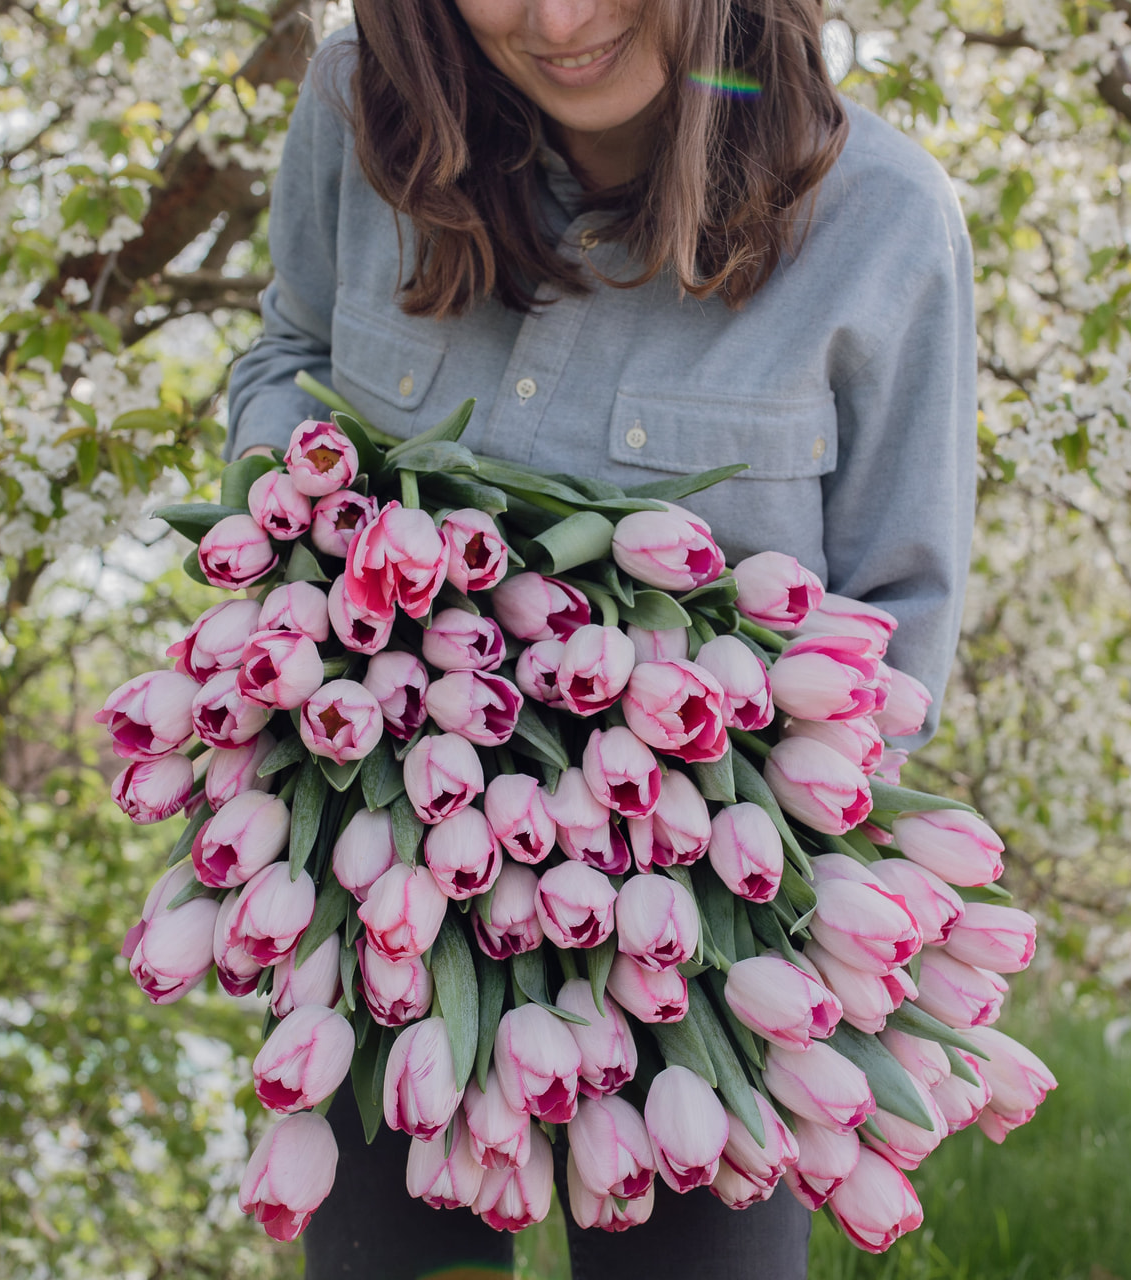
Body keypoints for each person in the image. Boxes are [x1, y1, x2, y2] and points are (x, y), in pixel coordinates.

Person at [225, 1, 977, 1276]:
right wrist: (294, 527)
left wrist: (725, 844)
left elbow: (892, 641)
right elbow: (290, 351)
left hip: (710, 969)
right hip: (389, 931)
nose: (560, 20)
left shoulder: (883, 223)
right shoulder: (367, 109)